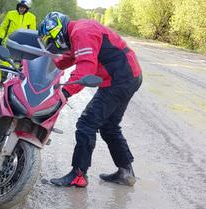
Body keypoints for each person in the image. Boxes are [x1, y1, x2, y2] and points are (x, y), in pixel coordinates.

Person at [38, 12, 143, 188]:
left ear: (58, 33)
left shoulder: (82, 32)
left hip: (120, 79)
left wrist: (64, 92)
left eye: (51, 41)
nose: (52, 46)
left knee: (87, 123)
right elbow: (69, 59)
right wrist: (43, 66)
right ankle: (126, 173)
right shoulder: (76, 33)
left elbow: (85, 69)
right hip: (128, 76)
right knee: (109, 127)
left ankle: (78, 175)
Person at [0, 0, 36, 78]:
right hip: (8, 41)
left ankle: (17, 81)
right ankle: (2, 80)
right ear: (18, 6)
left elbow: (32, 32)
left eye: (24, 8)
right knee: (4, 62)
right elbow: (3, 27)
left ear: (27, 8)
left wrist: (32, 44)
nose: (22, 9)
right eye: (20, 7)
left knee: (20, 65)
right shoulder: (10, 14)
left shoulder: (32, 17)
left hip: (22, 44)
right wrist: (0, 37)